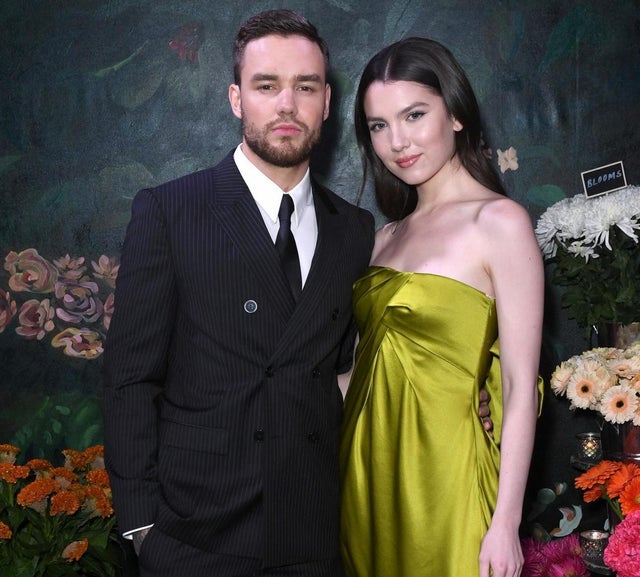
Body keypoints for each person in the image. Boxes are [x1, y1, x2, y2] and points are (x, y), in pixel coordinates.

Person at [102, 10, 375, 577]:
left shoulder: (354, 229)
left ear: (327, 102)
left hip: (315, 531)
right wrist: (141, 527)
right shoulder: (170, 211)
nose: (286, 105)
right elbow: (130, 379)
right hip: (194, 535)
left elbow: (350, 373)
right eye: (266, 86)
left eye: (305, 87)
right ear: (235, 99)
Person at [339, 37, 544, 577]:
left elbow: (520, 385)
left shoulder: (499, 223)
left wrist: (506, 523)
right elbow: (359, 375)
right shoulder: (382, 240)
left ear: (455, 113)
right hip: (367, 480)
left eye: (414, 115)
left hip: (451, 484)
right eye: (378, 125)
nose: (397, 142)